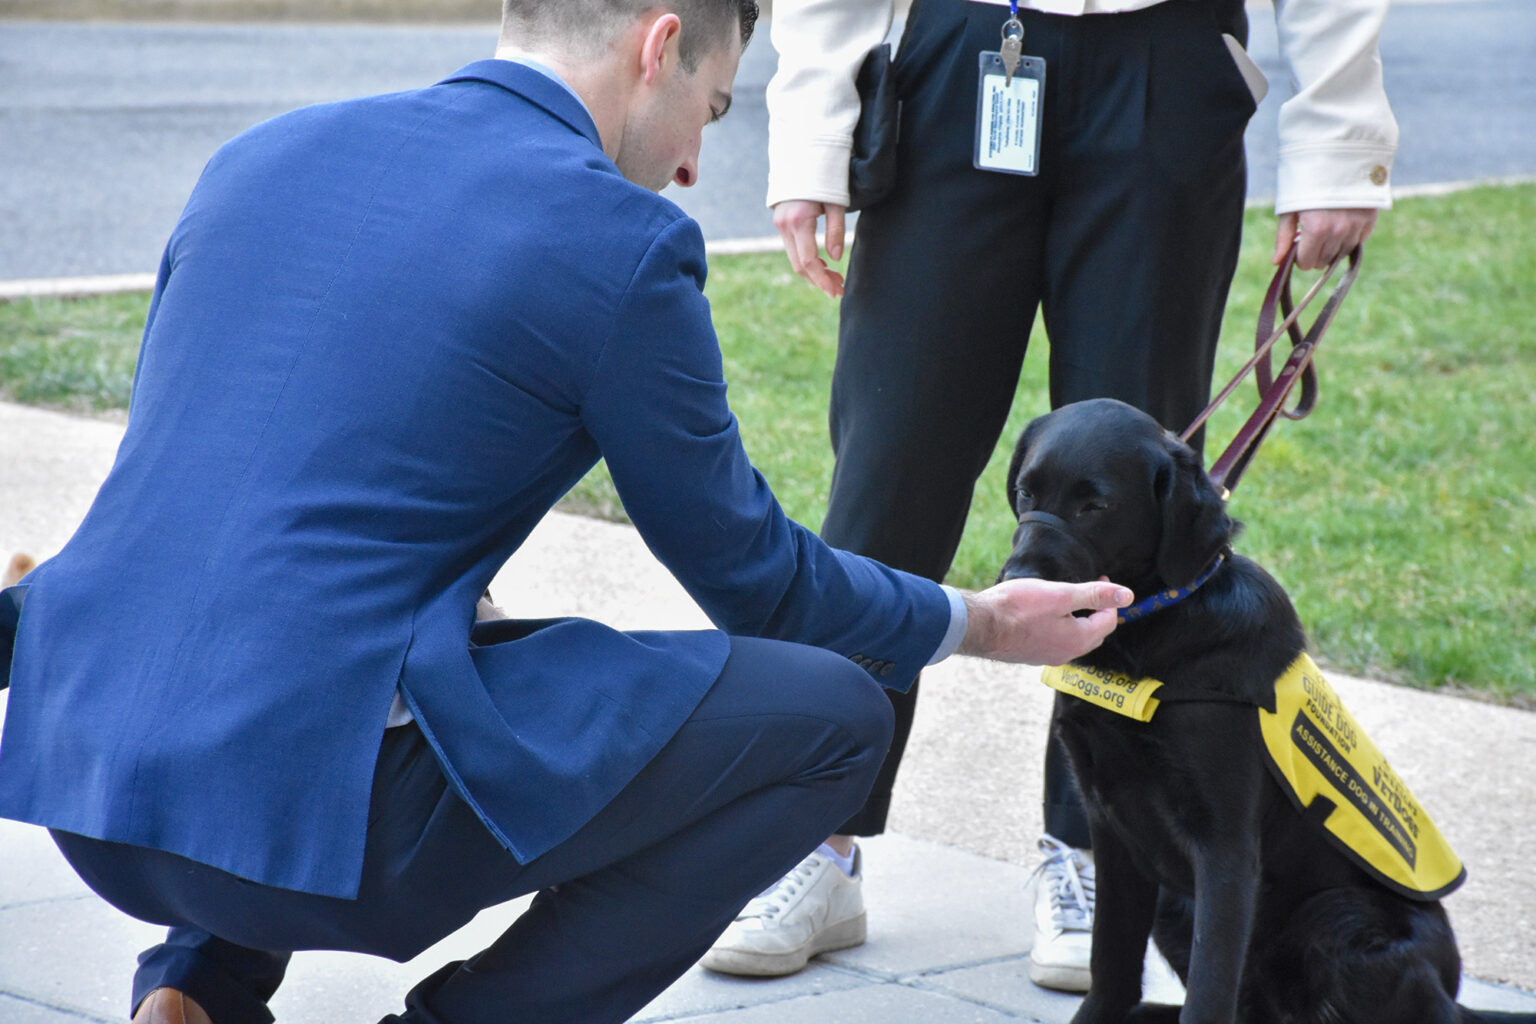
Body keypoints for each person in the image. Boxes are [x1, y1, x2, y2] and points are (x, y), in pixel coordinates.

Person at [0, 2, 1136, 1023]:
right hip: (305, 833)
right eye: (713, 103)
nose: (695, 161)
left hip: (86, 779)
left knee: (341, 585)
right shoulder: (618, 242)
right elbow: (757, 579)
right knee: (835, 716)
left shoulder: (258, 159)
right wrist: (981, 622)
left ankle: (197, 986)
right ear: (657, 46)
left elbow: (211, 501)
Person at [701, 0, 1396, 990]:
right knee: (890, 485)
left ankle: (1091, 856)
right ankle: (816, 837)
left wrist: (1340, 139)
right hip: (955, 60)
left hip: (1168, 64)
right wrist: (816, 133)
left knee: (1130, 519)